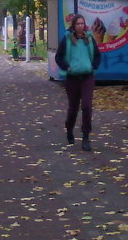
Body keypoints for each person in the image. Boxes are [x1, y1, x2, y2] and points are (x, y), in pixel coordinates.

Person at [54, 13, 101, 152]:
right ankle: (69, 129)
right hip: (72, 77)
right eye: (78, 24)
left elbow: (98, 56)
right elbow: (59, 57)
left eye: (82, 23)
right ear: (73, 26)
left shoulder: (90, 38)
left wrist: (93, 66)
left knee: (86, 106)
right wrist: (66, 67)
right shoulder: (67, 39)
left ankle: (86, 137)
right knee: (73, 107)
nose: (80, 26)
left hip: (87, 76)